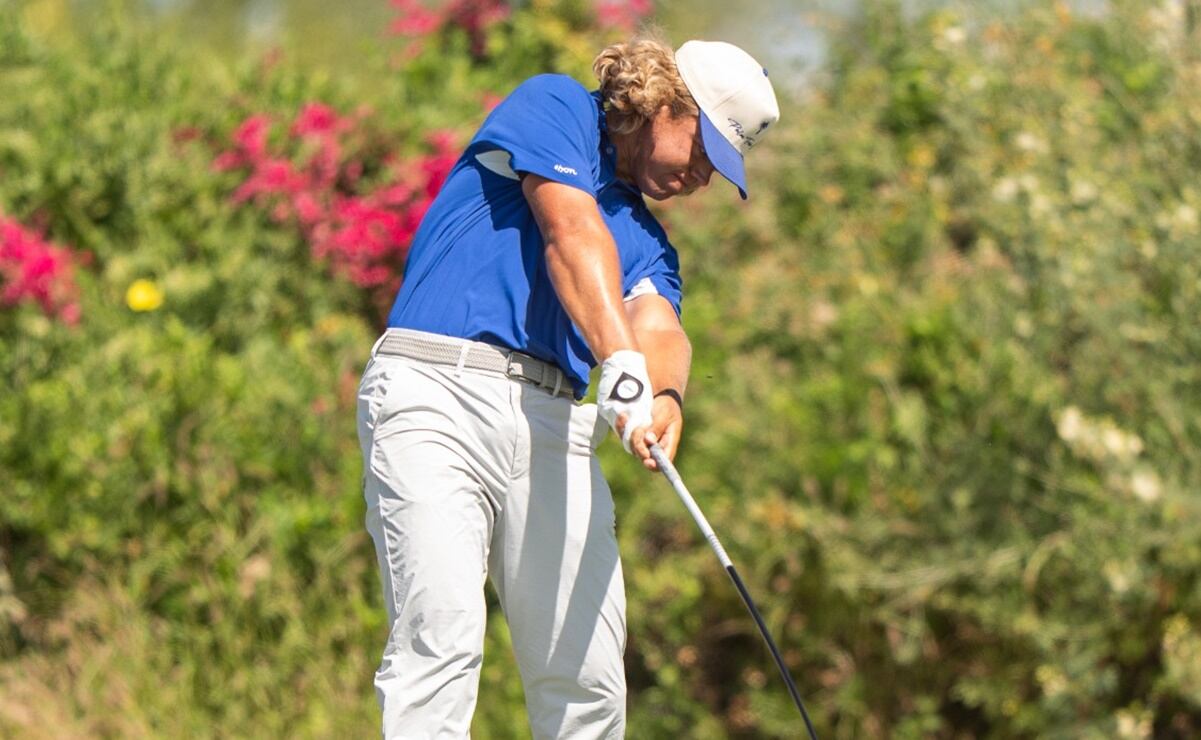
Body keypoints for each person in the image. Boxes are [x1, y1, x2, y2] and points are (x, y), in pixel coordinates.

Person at [355, 33, 779, 739]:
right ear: (665, 104)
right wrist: (619, 362)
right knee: (442, 637)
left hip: (551, 421)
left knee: (586, 675)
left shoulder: (647, 238)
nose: (704, 176)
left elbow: (661, 329)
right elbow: (568, 229)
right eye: (704, 150)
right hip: (436, 392)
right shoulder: (555, 108)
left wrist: (663, 398)